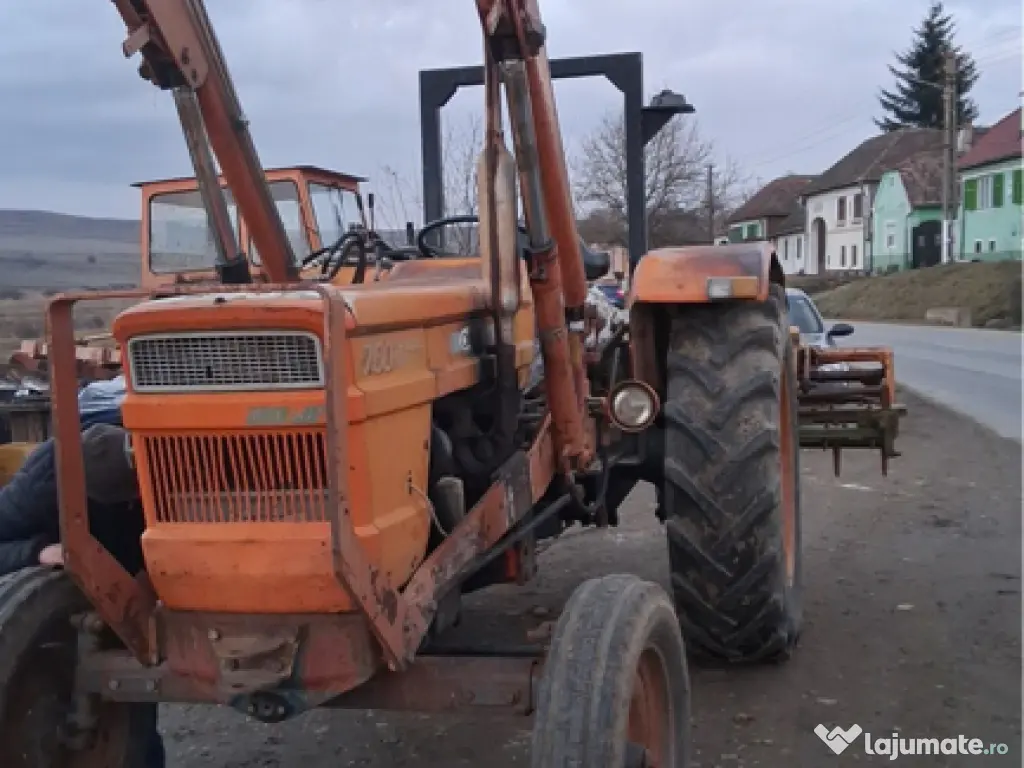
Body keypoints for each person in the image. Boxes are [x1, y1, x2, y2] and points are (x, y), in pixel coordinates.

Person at [0, 422, 166, 767]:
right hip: (58, 621)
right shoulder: (40, 485)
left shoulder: (156, 470)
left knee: (135, 708)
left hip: (120, 597)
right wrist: (37, 552)